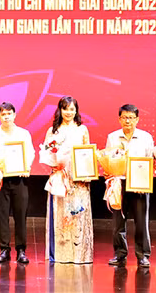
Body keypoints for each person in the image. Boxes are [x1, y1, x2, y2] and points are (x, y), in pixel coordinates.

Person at [0, 102, 35, 264]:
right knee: (2, 215)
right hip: (1, 180)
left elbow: (30, 152)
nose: (6, 117)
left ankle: (21, 250)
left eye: (9, 113)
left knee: (20, 216)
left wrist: (26, 167)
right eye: (3, 114)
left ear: (14, 115)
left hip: (19, 179)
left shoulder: (23, 134)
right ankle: (4, 249)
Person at [42, 96, 93, 264]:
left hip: (78, 179)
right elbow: (47, 153)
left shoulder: (82, 130)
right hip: (60, 178)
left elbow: (87, 154)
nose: (69, 112)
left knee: (77, 213)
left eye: (72, 109)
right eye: (65, 109)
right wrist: (55, 167)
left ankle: (79, 254)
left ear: (76, 111)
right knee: (61, 213)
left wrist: (86, 174)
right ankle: (61, 254)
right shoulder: (53, 131)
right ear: (60, 110)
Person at [105, 104, 154, 268]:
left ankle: (143, 255)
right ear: (119, 119)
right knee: (118, 222)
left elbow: (149, 161)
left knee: (141, 222)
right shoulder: (112, 137)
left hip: (139, 185)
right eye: (125, 117)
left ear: (137, 119)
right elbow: (108, 159)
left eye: (131, 118)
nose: (128, 121)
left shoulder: (146, 137)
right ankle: (120, 253)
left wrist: (144, 181)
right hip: (119, 183)